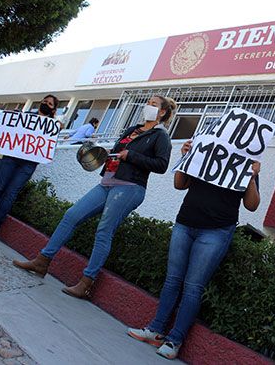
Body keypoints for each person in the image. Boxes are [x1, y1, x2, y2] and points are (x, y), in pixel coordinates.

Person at [12, 96, 177, 299]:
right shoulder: (133, 128)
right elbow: (119, 152)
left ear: (161, 112)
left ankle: (86, 283)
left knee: (104, 231)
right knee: (71, 215)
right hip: (107, 182)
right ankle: (42, 261)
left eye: (153, 105)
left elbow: (161, 165)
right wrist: (109, 152)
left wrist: (130, 156)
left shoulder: (160, 136)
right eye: (148, 103)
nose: (147, 107)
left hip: (129, 188)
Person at [126, 140, 261, 360]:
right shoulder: (205, 151)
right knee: (172, 280)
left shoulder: (246, 163)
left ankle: (174, 340)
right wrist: (185, 157)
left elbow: (252, 205)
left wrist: (252, 176)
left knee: (193, 287)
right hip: (185, 223)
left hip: (216, 231)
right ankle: (155, 330)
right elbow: (180, 185)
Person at [0, 95, 59, 237]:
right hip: (10, 159)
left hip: (28, 164)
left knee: (10, 194)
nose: (46, 104)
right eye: (44, 101)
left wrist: (57, 126)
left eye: (49, 104)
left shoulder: (52, 126)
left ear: (53, 109)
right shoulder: (23, 118)